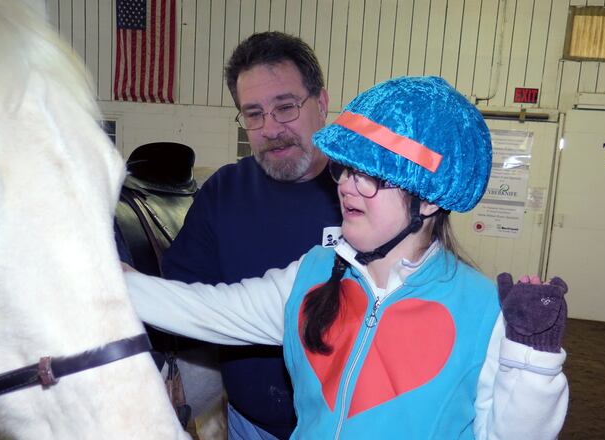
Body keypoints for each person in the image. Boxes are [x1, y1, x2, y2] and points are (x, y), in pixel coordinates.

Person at [126, 76, 569, 438]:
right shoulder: (312, 274)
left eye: (371, 175)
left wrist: (534, 364)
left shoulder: (484, 311)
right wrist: (107, 276)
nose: (346, 186)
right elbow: (205, 310)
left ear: (429, 199)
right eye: (346, 169)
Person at [159, 32, 341, 440]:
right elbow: (182, 295)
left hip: (346, 426)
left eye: (286, 107)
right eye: (253, 113)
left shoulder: (363, 191)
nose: (270, 128)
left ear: (322, 103)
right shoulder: (224, 192)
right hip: (249, 425)